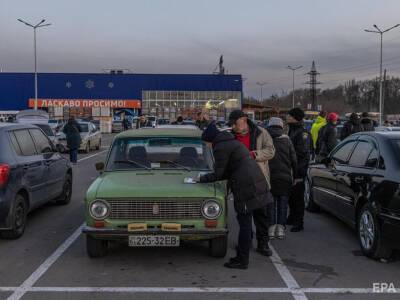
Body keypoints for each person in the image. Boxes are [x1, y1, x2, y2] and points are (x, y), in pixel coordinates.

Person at [199, 122, 273, 269]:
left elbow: (220, 173)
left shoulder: (220, 147)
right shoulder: (230, 142)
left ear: (210, 140)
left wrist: (201, 179)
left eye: (206, 143)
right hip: (257, 182)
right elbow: (227, 169)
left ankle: (242, 259)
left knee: (245, 224)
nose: (206, 146)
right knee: (258, 219)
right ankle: (254, 248)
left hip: (246, 187)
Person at [228, 110, 275, 248]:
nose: (234, 127)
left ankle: (263, 244)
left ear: (244, 120)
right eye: (231, 124)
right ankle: (245, 242)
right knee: (243, 217)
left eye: (235, 123)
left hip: (258, 180)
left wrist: (255, 154)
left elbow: (271, 151)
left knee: (261, 215)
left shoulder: (261, 132)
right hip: (240, 182)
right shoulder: (231, 136)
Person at [267, 117, 297, 239]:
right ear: (281, 127)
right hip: (285, 178)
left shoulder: (266, 139)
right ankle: (280, 230)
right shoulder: (287, 141)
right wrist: (295, 175)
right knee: (283, 204)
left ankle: (271, 229)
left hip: (270, 178)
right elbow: (294, 160)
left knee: (271, 204)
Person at [286, 108, 312, 232]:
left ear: (295, 117)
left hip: (298, 169)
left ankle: (298, 222)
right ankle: (291, 217)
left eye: (289, 115)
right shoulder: (292, 130)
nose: (287, 117)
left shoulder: (303, 133)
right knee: (290, 196)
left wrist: (297, 171)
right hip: (290, 168)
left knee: (298, 197)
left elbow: (302, 153)